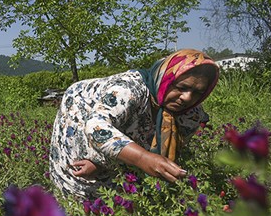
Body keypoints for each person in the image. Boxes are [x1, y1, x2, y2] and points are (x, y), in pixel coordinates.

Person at [48, 49, 220, 200]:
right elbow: (97, 127)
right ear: (165, 78)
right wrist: (139, 158)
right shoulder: (128, 90)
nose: (187, 98)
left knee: (124, 187)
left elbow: (155, 141)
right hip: (81, 109)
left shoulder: (191, 113)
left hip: (112, 121)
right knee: (81, 182)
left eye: (198, 92)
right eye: (181, 87)